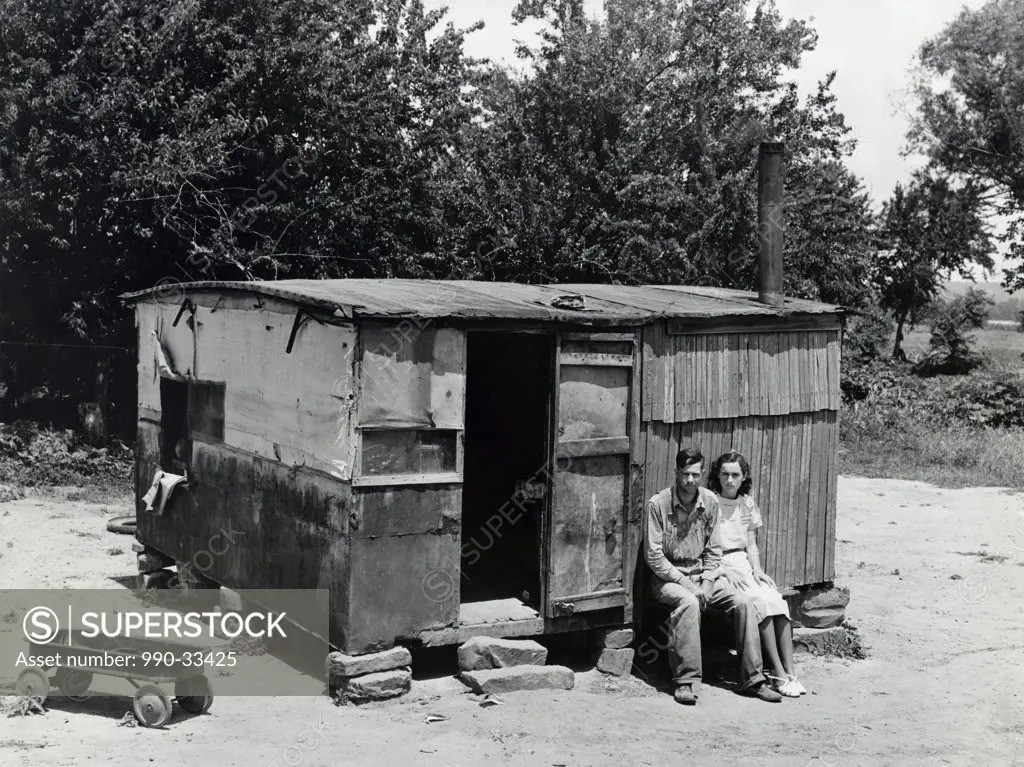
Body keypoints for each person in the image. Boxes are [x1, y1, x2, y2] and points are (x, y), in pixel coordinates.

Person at [645, 447, 783, 705]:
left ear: (703, 473)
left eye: (695, 475)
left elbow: (713, 550)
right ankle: (686, 681)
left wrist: (707, 582)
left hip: (703, 575)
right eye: (685, 474)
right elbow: (654, 557)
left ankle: (752, 679)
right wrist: (689, 585)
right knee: (688, 602)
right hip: (669, 580)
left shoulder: (709, 502)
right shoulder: (658, 504)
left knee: (743, 603)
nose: (690, 481)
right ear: (676, 472)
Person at [708, 450, 808, 698]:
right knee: (760, 602)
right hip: (721, 564)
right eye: (725, 474)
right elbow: (703, 544)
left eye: (735, 475)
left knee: (775, 599)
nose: (730, 480)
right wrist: (722, 569)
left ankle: (790, 672)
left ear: (744, 477)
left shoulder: (747, 504)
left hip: (743, 562)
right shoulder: (709, 502)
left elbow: (751, 543)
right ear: (717, 476)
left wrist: (759, 570)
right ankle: (776, 672)